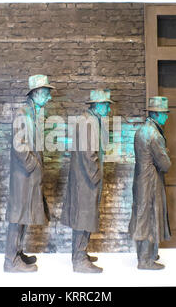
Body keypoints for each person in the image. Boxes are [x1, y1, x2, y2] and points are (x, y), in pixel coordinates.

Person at [4, 75, 54, 273]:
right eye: (47, 93)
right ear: (37, 93)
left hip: (28, 177)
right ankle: (10, 260)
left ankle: (17, 252)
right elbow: (20, 147)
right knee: (17, 217)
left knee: (23, 216)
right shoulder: (22, 114)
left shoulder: (33, 113)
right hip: (23, 177)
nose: (49, 97)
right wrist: (34, 165)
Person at [61, 89, 114, 273]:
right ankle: (79, 259)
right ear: (98, 105)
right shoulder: (87, 122)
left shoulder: (91, 120)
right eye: (106, 104)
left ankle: (81, 252)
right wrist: (96, 176)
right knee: (83, 218)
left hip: (86, 179)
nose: (108, 108)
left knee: (85, 217)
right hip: (86, 180)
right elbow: (88, 155)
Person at [129, 96, 171, 270]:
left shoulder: (141, 130)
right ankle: (145, 260)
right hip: (151, 181)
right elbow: (165, 164)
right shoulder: (154, 135)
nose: (166, 117)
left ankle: (146, 254)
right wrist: (166, 153)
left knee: (142, 215)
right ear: (156, 114)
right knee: (150, 216)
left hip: (140, 178)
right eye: (164, 114)